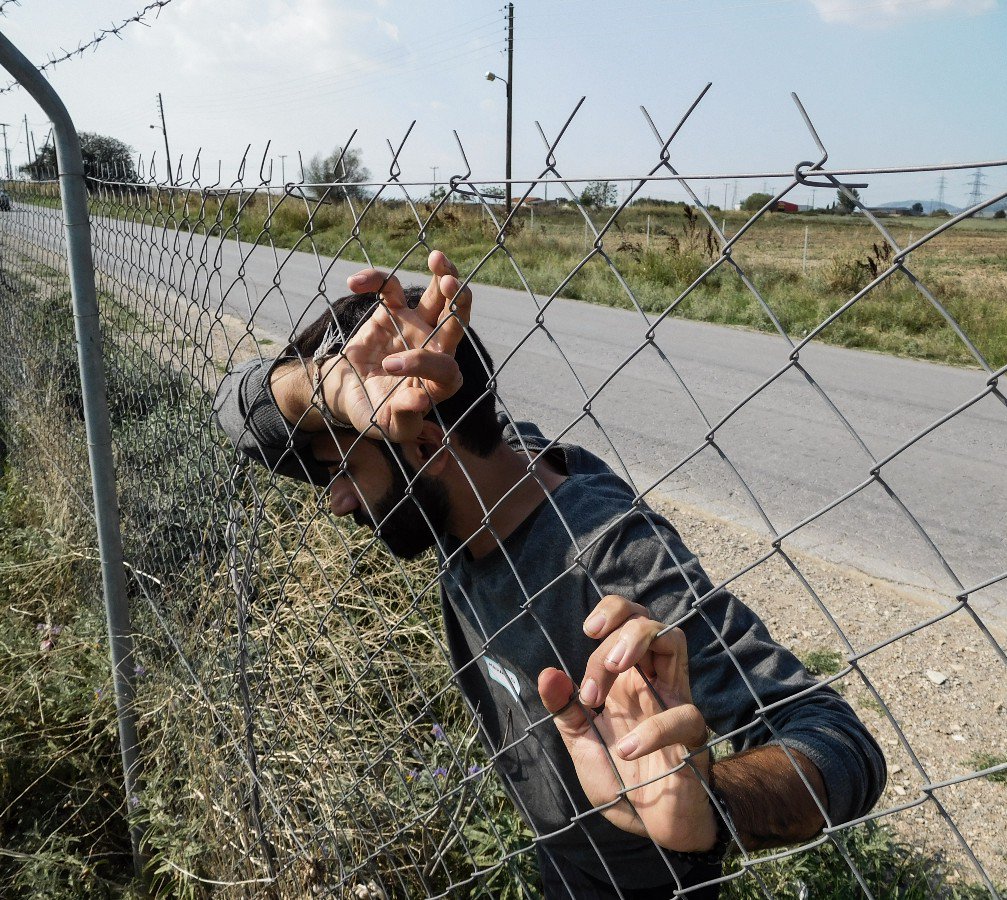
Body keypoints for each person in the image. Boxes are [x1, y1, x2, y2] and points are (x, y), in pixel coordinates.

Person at [215, 251, 886, 898]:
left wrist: (709, 808)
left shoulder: (608, 556)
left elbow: (839, 740)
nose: (335, 501)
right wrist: (324, 386)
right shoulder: (472, 469)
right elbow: (234, 412)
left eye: (341, 471)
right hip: (559, 858)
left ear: (426, 445)